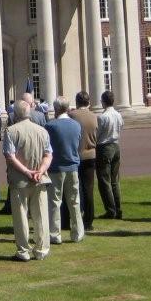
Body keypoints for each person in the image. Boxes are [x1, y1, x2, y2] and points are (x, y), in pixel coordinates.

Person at [3, 99, 53, 261]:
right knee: (41, 216)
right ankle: (42, 249)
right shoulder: (42, 131)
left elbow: (10, 156)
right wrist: (41, 170)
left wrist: (27, 171)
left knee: (21, 216)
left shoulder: (10, 131)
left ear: (15, 114)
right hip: (40, 178)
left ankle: (23, 250)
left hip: (20, 180)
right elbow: (48, 154)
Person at [44, 96, 83, 244]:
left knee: (54, 202)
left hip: (56, 168)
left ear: (56, 109)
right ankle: (78, 232)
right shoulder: (76, 125)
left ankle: (55, 234)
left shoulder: (50, 126)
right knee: (74, 201)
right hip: (73, 166)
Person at [70, 91, 98, 232]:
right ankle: (89, 220)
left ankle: (76, 216)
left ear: (77, 102)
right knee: (88, 189)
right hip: (91, 155)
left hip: (76, 155)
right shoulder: (95, 116)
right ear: (88, 102)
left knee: (75, 189)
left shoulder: (72, 115)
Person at [95, 90, 124, 220]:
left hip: (104, 147)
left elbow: (98, 134)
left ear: (104, 101)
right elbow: (121, 127)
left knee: (104, 181)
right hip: (116, 145)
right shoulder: (118, 115)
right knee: (114, 181)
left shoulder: (103, 117)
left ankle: (111, 210)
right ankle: (118, 208)